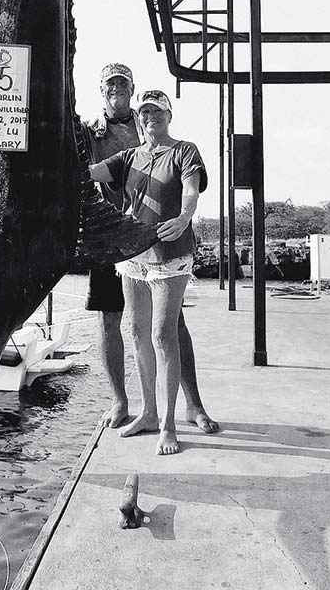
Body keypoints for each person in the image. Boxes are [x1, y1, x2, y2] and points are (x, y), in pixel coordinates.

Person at [82, 66, 218, 437]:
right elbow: (84, 172)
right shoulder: (103, 142)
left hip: (168, 251)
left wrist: (186, 215)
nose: (149, 117)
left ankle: (183, 413)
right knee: (128, 328)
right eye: (146, 113)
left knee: (167, 331)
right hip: (121, 247)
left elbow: (191, 190)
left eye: (157, 111)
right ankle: (135, 408)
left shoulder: (178, 147)